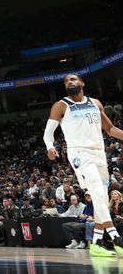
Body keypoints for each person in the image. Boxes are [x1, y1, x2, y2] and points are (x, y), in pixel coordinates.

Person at [43, 73, 123, 257]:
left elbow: (110, 129)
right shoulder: (61, 106)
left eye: (73, 79)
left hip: (98, 153)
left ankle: (96, 243)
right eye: (66, 81)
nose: (70, 82)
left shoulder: (95, 103)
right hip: (79, 153)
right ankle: (115, 237)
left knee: (101, 198)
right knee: (95, 188)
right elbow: (48, 133)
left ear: (82, 82)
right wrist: (49, 146)